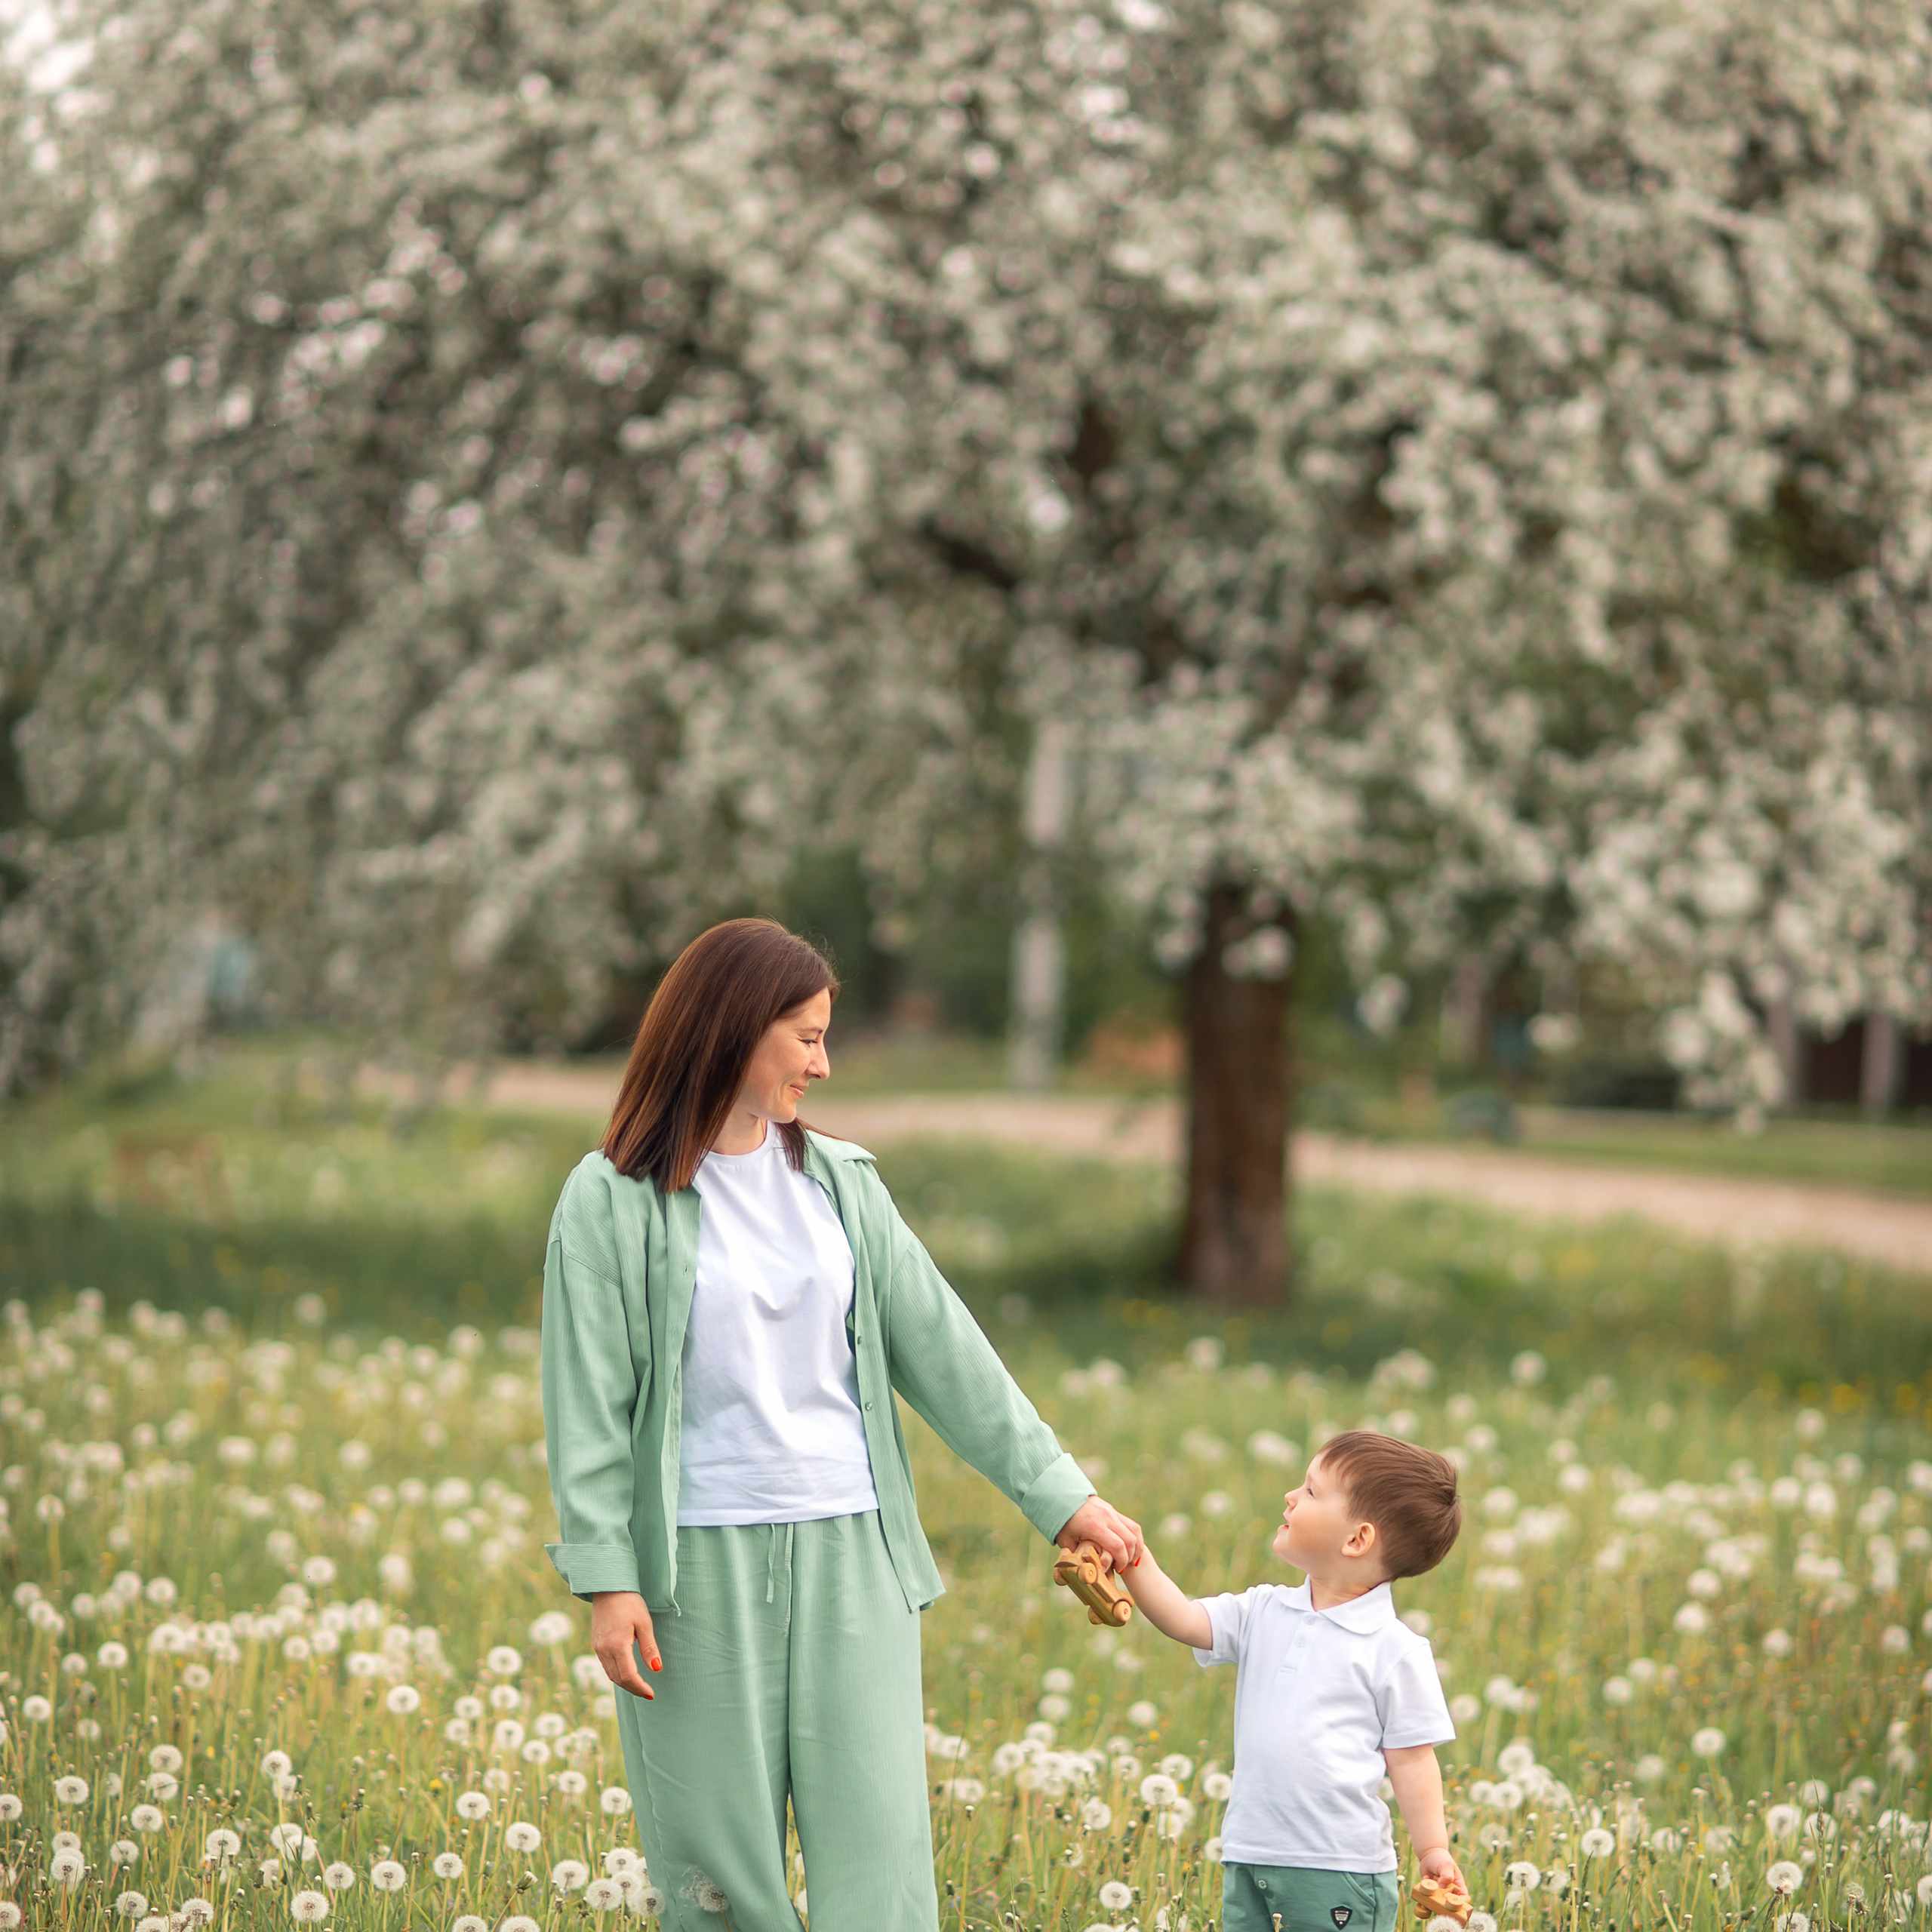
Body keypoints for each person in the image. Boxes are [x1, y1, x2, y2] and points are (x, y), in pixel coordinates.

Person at [539, 918, 1142, 1932]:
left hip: (855, 1552)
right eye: (806, 1037)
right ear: (732, 1030)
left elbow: (950, 1357)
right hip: (693, 1570)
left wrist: (1062, 1495)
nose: (823, 1062)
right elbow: (587, 1404)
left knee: (882, 1856)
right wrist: (608, 1578)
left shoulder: (844, 1186)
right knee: (716, 1869)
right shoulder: (609, 1201)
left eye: (826, 1037)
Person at [1118, 1431, 1468, 1932]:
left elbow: (1412, 1758)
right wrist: (1134, 1557)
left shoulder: (1394, 1650)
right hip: (1250, 1852)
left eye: (1310, 1491)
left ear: (1357, 1539)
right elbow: (1183, 1619)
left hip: (1339, 1869)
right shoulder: (1263, 1610)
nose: (1290, 1496)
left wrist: (1433, 1847)